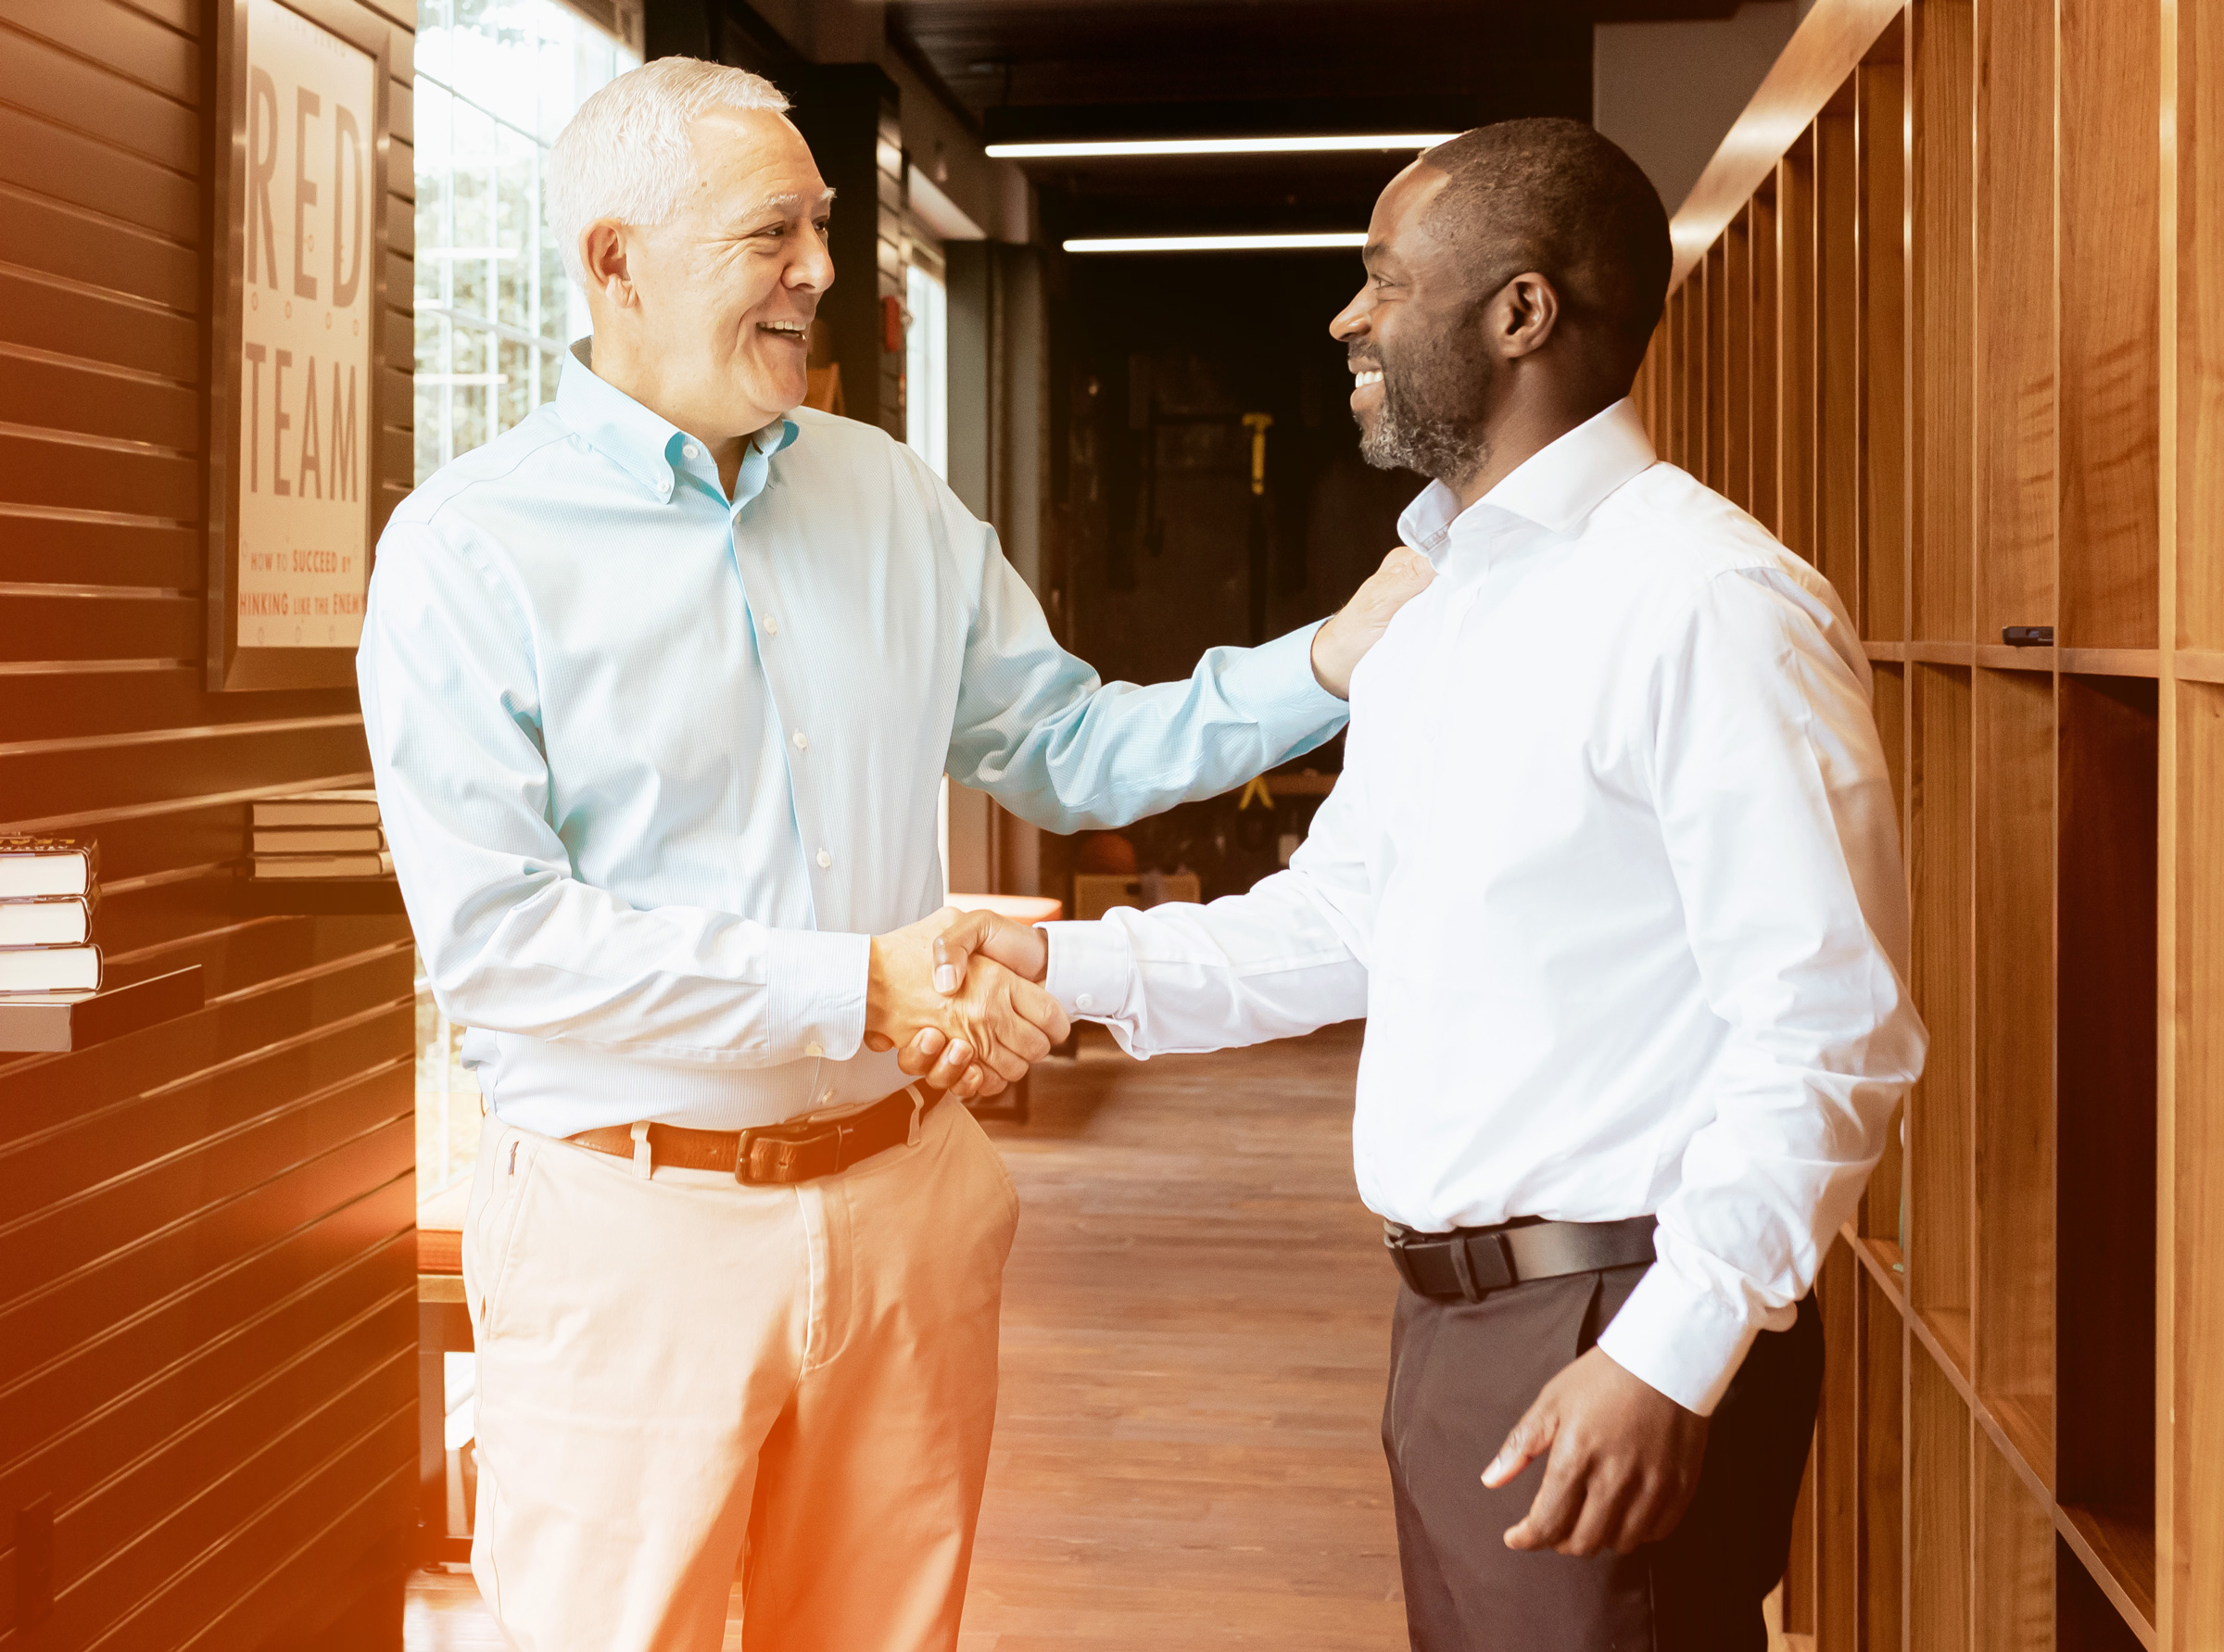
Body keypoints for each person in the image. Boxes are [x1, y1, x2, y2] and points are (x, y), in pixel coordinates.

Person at [356, 57, 1428, 1652]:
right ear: (614, 262)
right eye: (768, 231)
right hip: (624, 1231)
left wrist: (1331, 660)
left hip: (901, 1209)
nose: (813, 269)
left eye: (820, 224)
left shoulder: (887, 498)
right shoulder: (467, 552)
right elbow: (503, 942)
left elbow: (1064, 746)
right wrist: (857, 981)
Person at [928, 118, 1927, 1651]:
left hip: (1611, 1316)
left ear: (1520, 313)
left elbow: (1828, 1026)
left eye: (1383, 281)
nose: (1347, 318)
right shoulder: (1449, 603)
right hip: (1453, 1325)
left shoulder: (1707, 602)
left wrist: (1670, 1356)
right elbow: (1342, 924)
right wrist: (1059, 975)